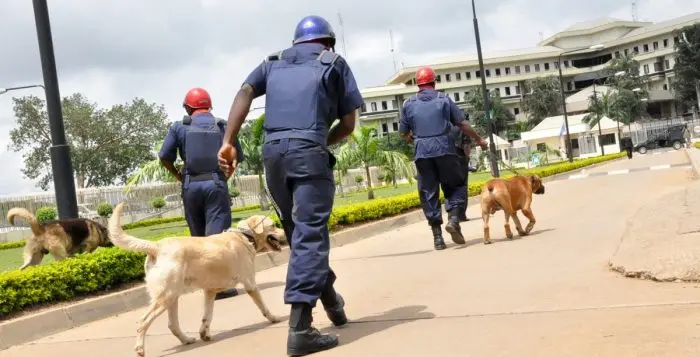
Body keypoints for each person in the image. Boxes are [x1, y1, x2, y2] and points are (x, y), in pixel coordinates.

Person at [216, 15, 363, 356]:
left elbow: (245, 92)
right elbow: (349, 123)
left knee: (300, 234)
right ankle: (300, 328)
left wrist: (228, 140)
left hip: (273, 157)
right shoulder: (334, 63)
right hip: (308, 152)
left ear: (296, 43)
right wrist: (319, 142)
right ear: (327, 42)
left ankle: (332, 304)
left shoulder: (272, 63)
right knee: (310, 235)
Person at [159, 87, 244, 301]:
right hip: (215, 184)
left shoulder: (179, 127)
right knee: (217, 238)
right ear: (209, 106)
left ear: (188, 108)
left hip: (191, 186)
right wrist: (226, 175)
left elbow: (164, 156)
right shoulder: (222, 126)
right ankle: (219, 287)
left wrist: (178, 175)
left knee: (197, 239)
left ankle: (206, 283)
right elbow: (236, 156)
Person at [399, 66, 488, 251]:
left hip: (422, 153)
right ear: (434, 81)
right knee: (455, 184)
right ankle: (454, 219)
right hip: (445, 150)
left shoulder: (408, 104)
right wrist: (479, 139)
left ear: (418, 84)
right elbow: (462, 124)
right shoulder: (444, 99)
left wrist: (413, 139)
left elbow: (403, 133)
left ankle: (438, 238)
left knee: (428, 193)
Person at [448, 117, 478, 222]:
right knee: (462, 185)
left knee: (448, 186)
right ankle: (461, 214)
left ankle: (451, 213)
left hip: (445, 159)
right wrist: (467, 155)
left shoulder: (443, 126)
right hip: (460, 158)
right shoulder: (462, 127)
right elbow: (466, 147)